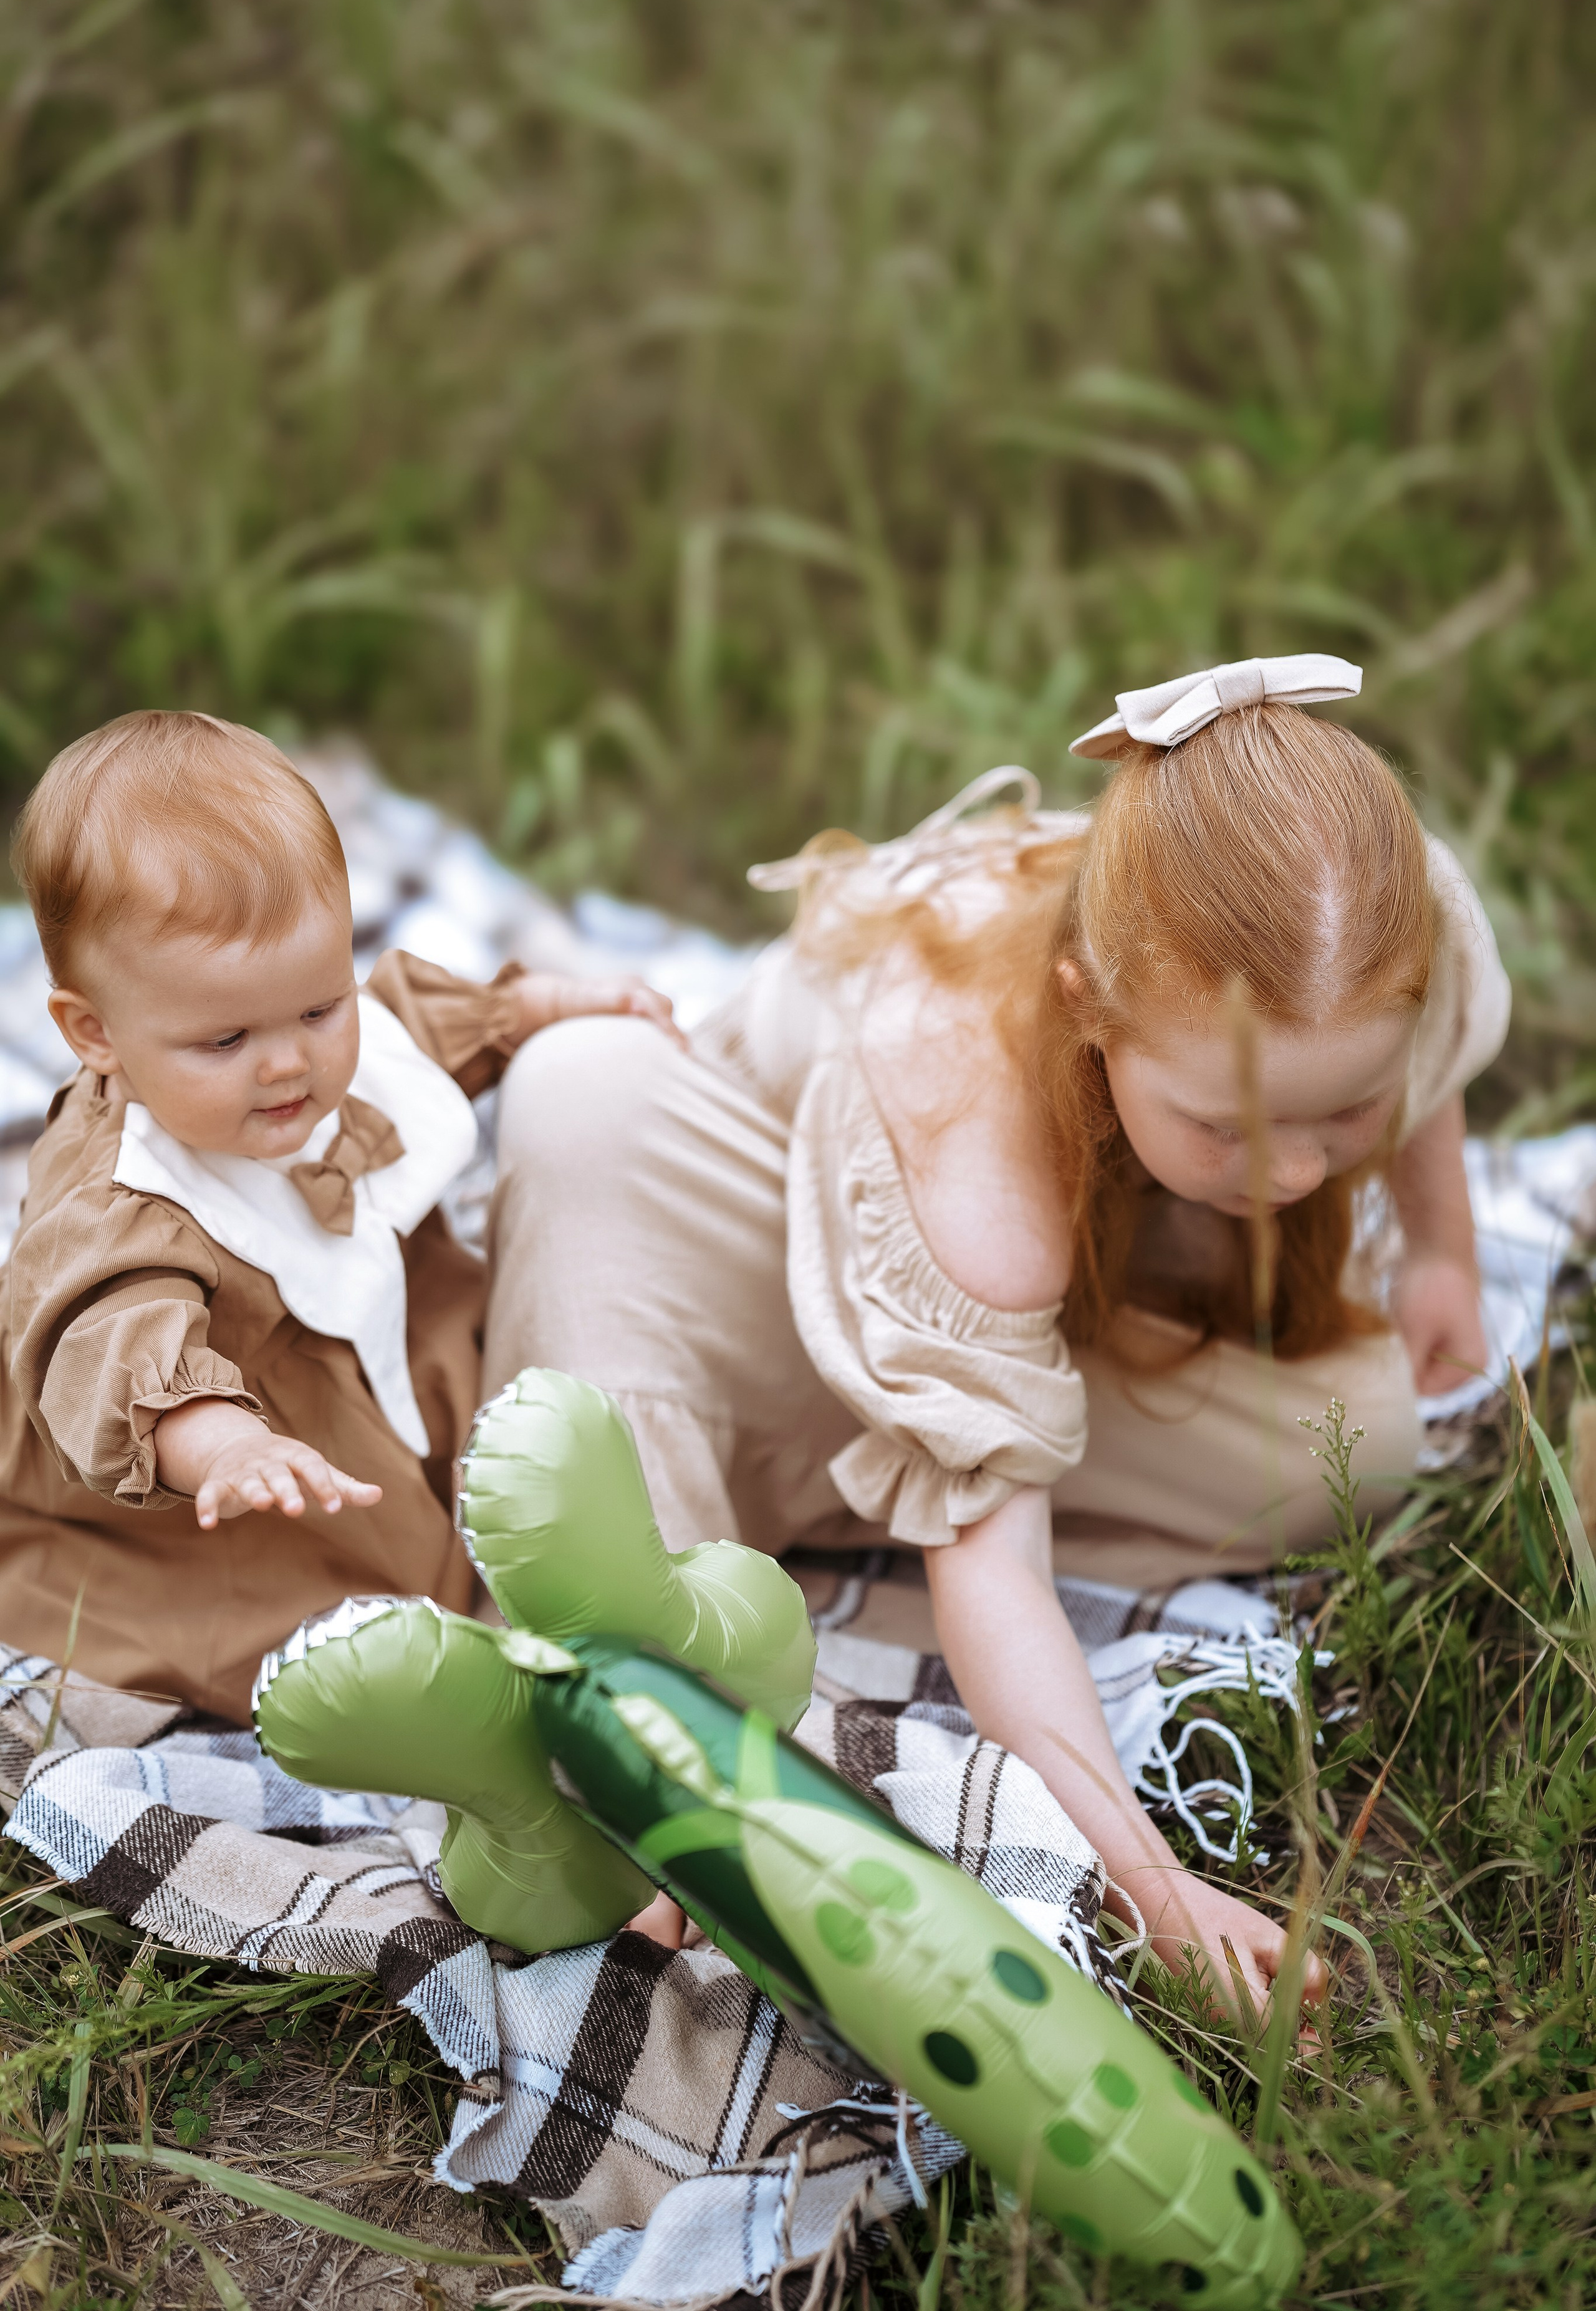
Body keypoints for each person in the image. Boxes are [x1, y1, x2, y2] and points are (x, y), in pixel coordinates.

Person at [483, 656, 1510, 2016]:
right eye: (1227, 1126)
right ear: (1088, 1009)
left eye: (1340, 1113)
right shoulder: (969, 1122)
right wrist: (1152, 1888)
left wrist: (1439, 1247)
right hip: (731, 1275)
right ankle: (648, 1698)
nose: (1294, 1177)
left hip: (977, 1324)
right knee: (584, 1098)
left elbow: (1419, 1067)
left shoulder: (1384, 921)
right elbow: (998, 1575)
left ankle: (849, 1479)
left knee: (1361, 1451)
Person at [0, 709, 678, 1723]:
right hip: (223, 1501)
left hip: (385, 1373)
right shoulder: (117, 1204)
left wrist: (558, 1000)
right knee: (324, 1643)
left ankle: (490, 1571)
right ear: (93, 1031)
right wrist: (225, 1445)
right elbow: (111, 1345)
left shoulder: (333, 1044)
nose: (289, 1064)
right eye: (225, 1038)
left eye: (319, 1008)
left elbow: (428, 1016)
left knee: (491, 1448)